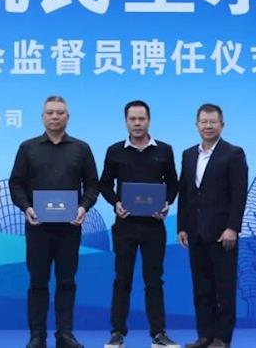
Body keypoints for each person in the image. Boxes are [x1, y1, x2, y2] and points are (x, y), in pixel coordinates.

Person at [8, 95, 98, 348]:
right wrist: (26, 207)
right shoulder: (28, 148)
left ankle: (64, 334)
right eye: (50, 112)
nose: (55, 117)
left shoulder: (81, 148)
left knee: (67, 282)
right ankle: (37, 336)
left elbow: (93, 184)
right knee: (38, 282)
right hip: (38, 228)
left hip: (70, 228)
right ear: (42, 117)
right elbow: (16, 184)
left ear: (68, 117)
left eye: (60, 112)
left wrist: (83, 207)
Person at [98, 100, 180, 348]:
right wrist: (116, 203)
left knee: (154, 280)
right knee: (122, 280)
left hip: (154, 226)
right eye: (132, 119)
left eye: (141, 119)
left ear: (149, 121)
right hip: (125, 226)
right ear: (126, 122)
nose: (137, 123)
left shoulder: (164, 150)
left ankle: (158, 334)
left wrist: (167, 202)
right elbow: (104, 184)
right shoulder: (115, 151)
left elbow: (173, 184)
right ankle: (117, 333)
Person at [177, 104, 248, 348]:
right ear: (197, 125)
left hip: (222, 233)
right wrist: (182, 226)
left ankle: (222, 338)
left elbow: (239, 195)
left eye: (213, 122)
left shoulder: (233, 153)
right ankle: (205, 335)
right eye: (204, 122)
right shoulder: (188, 154)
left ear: (222, 125)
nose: (208, 126)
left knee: (224, 288)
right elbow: (185, 193)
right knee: (201, 288)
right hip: (195, 232)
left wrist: (233, 228)